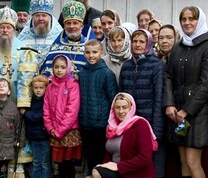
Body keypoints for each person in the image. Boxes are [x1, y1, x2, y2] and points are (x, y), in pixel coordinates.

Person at [164, 6, 208, 178]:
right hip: (177, 113)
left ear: (200, 21)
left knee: (192, 161)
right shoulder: (178, 46)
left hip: (198, 114)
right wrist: (169, 104)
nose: (187, 22)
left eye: (192, 19)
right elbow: (168, 76)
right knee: (183, 160)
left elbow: (206, 84)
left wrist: (186, 110)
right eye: (184, 19)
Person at [119, 29, 165, 177]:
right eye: (135, 41)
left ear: (149, 43)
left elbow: (159, 98)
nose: (138, 45)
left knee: (151, 164)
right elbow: (121, 96)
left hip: (149, 122)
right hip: (130, 123)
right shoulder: (126, 65)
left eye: (142, 41)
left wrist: (156, 130)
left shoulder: (156, 65)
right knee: (133, 162)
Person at [90, 93, 157, 178]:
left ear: (131, 108)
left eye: (124, 107)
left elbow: (145, 157)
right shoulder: (111, 127)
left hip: (135, 173)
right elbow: (108, 155)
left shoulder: (140, 125)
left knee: (96, 173)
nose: (121, 111)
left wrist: (119, 167)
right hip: (117, 171)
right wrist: (104, 166)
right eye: (117, 107)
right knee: (94, 172)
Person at [15, 0, 63, 109]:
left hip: (52, 93)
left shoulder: (59, 37)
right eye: (37, 15)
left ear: (50, 17)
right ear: (32, 18)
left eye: (44, 15)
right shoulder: (22, 39)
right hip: (30, 93)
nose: (41, 18)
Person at [79, 39, 118, 174]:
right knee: (89, 157)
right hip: (85, 123)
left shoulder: (107, 73)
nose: (91, 56)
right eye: (88, 52)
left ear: (101, 53)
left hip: (101, 123)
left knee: (100, 158)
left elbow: (113, 98)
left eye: (94, 52)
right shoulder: (82, 73)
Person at [43, 55, 81, 178]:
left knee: (68, 163)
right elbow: (46, 109)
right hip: (54, 130)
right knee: (59, 163)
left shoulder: (72, 85)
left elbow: (72, 110)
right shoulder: (50, 86)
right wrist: (50, 127)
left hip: (68, 131)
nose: (59, 70)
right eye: (56, 67)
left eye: (63, 67)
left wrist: (60, 130)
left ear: (68, 68)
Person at [39, 1, 88, 77]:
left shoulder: (88, 47)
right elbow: (47, 74)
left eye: (75, 23)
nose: (71, 26)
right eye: (68, 23)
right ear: (64, 26)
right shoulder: (55, 48)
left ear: (82, 26)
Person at [24, 75, 51, 178]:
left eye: (41, 88)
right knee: (36, 162)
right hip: (34, 136)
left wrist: (25, 113)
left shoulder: (46, 101)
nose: (38, 90)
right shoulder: (30, 100)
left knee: (45, 163)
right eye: (36, 88)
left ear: (46, 88)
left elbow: (38, 117)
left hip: (44, 136)